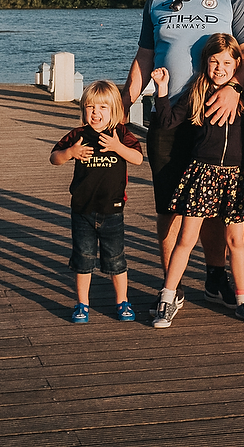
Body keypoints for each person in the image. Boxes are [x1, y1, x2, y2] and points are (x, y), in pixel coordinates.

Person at [124, 0, 244, 305]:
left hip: (214, 113)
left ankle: (216, 276)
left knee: (213, 203)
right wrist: (123, 104)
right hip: (166, 113)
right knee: (168, 204)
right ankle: (173, 287)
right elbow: (145, 56)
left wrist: (234, 90)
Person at [149, 35, 244, 328]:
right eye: (214, 61)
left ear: (238, 64)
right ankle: (167, 297)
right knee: (186, 239)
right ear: (205, 62)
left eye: (227, 62)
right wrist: (161, 89)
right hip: (203, 174)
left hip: (235, 176)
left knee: (236, 242)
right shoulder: (197, 90)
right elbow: (166, 120)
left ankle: (243, 301)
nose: (220, 67)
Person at [50, 80, 145, 324]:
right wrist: (70, 153)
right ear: (83, 110)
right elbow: (54, 158)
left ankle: (122, 301)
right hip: (82, 210)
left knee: (116, 259)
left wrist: (117, 147)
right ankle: (82, 303)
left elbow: (137, 159)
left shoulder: (121, 134)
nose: (96, 113)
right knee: (83, 259)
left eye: (103, 108)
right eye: (90, 107)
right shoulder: (78, 135)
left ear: (114, 110)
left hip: (112, 210)